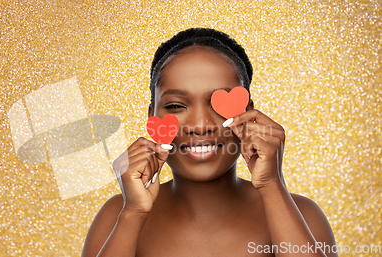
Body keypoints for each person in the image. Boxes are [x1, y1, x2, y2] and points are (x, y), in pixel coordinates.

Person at [82, 28, 337, 256]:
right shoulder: (117, 216)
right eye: (175, 106)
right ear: (152, 117)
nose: (201, 125)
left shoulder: (302, 215)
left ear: (249, 115)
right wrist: (133, 214)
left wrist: (272, 184)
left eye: (218, 105)